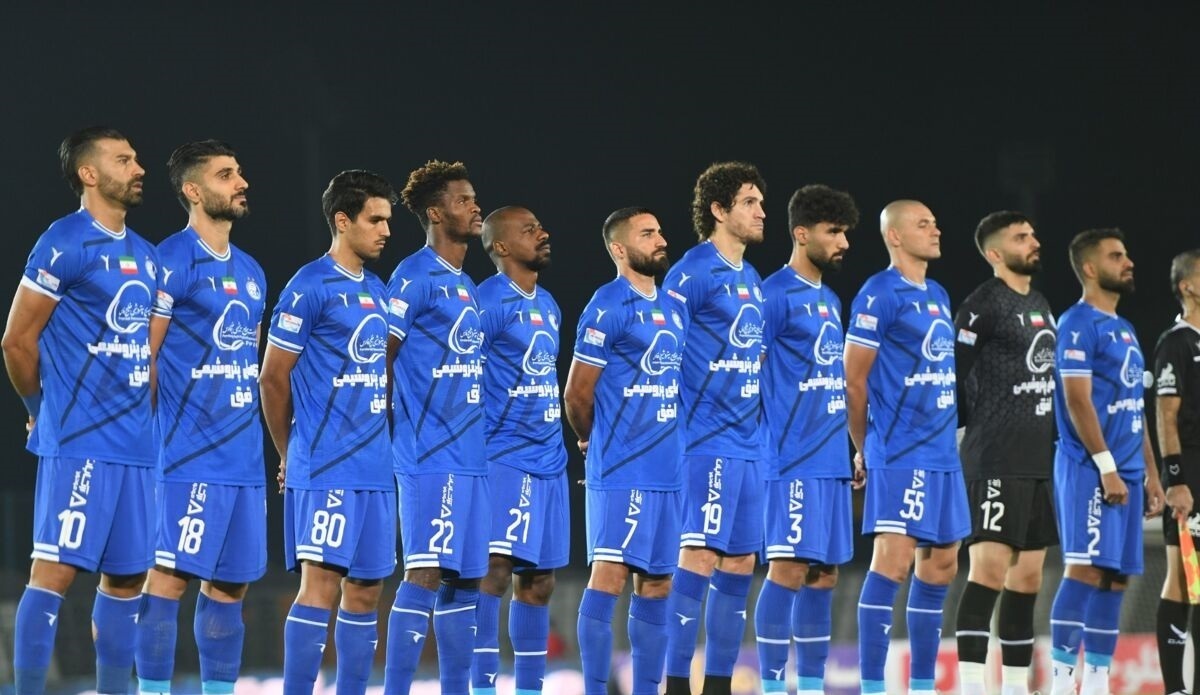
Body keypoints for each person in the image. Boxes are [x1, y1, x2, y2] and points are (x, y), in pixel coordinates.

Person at [3, 126, 156, 695]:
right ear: (89, 174)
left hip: (138, 448)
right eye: (123, 159)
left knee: (128, 580)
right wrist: (38, 409)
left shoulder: (147, 256)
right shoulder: (64, 241)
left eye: (136, 158)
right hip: (81, 441)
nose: (137, 168)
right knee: (55, 572)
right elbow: (16, 341)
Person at [133, 140, 267, 695]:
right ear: (193, 190)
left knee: (231, 588)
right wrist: (146, 440)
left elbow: (250, 365)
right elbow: (143, 356)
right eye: (226, 175)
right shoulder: (169, 260)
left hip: (244, 459)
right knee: (168, 580)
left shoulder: (253, 272)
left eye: (239, 172)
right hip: (187, 454)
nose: (241, 182)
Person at [259, 169, 396, 695]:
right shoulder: (309, 285)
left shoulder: (378, 290)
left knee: (366, 593)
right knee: (320, 588)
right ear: (343, 220)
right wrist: (288, 452)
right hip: (327, 464)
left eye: (387, 220)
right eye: (375, 220)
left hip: (375, 468)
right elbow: (272, 378)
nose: (385, 231)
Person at [843, 200, 969, 695]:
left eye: (935, 222)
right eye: (923, 224)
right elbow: (853, 381)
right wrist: (864, 447)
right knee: (892, 563)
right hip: (901, 449)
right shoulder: (878, 293)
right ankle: (873, 687)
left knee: (941, 566)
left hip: (943, 453)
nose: (935, 230)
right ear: (894, 236)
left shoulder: (937, 293)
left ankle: (921, 686)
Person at [563, 206, 685, 695]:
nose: (660, 239)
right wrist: (592, 440)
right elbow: (577, 394)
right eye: (647, 233)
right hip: (623, 468)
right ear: (619, 248)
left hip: (668, 470)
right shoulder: (607, 305)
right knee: (609, 576)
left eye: (659, 231)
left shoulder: (673, 307)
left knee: (657, 584)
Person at [1046, 228, 1168, 695]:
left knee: (1115, 579)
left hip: (1128, 473)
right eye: (1117, 256)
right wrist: (1106, 466)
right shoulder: (1078, 323)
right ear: (1090, 268)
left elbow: (1134, 407)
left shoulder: (1126, 329)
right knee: (1084, 570)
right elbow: (1077, 399)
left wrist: (1151, 475)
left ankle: (1097, 683)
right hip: (1089, 470)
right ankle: (1061, 683)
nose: (1128, 262)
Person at [662, 162, 767, 695]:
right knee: (699, 555)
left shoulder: (752, 279)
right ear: (719, 210)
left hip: (750, 444)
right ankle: (677, 683)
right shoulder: (691, 273)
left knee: (742, 561)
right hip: (704, 440)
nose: (761, 211)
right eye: (749, 202)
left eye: (761, 201)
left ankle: (720, 685)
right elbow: (662, 353)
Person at [382, 160, 487, 695]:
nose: (475, 207)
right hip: (429, 451)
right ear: (435, 213)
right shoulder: (413, 275)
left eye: (474, 198)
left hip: (470, 455)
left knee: (466, 581)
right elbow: (381, 354)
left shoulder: (466, 283)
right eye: (463, 200)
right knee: (424, 573)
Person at [754, 184, 860, 695]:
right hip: (790, 458)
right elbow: (746, 371)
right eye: (833, 232)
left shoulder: (830, 299)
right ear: (801, 233)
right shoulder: (772, 295)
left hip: (831, 458)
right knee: (789, 570)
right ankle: (774, 687)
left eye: (845, 232)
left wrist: (854, 448)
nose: (843, 242)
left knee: (825, 575)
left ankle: (813, 687)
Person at [952, 211, 1058, 695]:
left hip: (1036, 461)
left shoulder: (1040, 302)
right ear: (995, 253)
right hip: (994, 457)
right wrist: (961, 432)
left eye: (1032, 234)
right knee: (989, 572)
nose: (1032, 241)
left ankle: (1016, 688)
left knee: (1028, 579)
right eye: (1020, 237)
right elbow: (954, 373)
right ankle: (973, 686)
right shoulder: (983, 304)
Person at [470, 207, 570, 695]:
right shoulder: (485, 301)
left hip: (550, 458)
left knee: (540, 581)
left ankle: (530, 689)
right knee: (494, 572)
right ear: (502, 246)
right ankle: (483, 687)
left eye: (540, 226)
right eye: (530, 230)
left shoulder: (548, 304)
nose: (543, 233)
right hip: (505, 455)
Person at [1152, 249, 1200, 695]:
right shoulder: (1178, 343)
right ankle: (1174, 688)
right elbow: (1166, 415)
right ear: (1188, 286)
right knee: (1186, 580)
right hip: (1192, 476)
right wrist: (1176, 480)